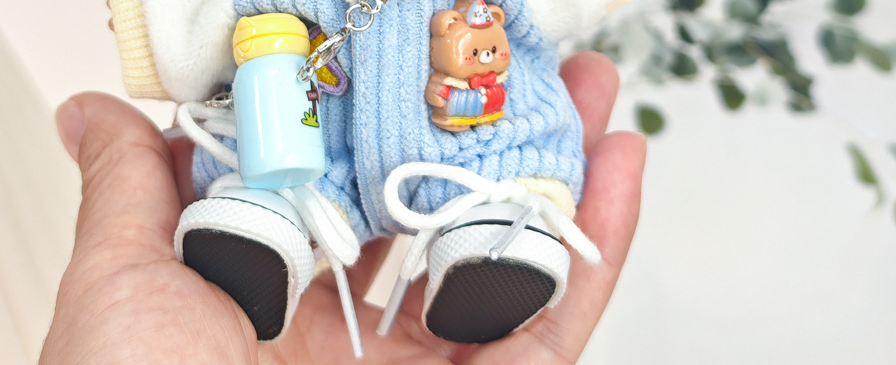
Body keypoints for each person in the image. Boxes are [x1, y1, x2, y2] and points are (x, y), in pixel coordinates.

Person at [39, 51, 644, 365]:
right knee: (274, 154)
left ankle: (489, 227)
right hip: (312, 139)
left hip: (458, 137)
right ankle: (267, 219)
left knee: (494, 146)